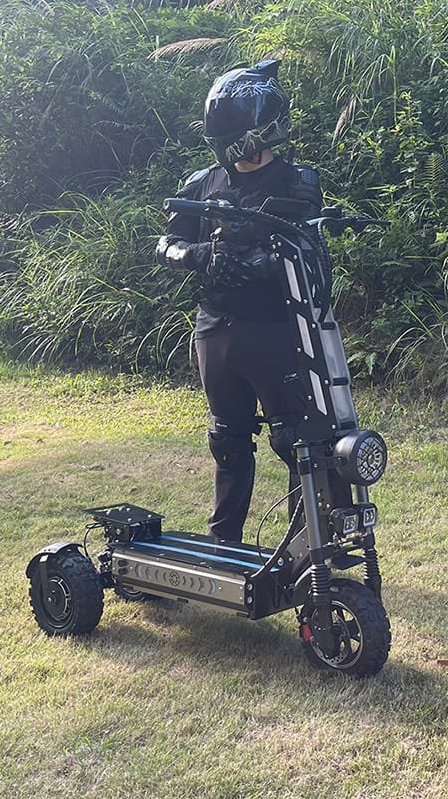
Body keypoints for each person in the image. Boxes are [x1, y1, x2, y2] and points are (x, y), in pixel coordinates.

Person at [156, 60, 322, 543]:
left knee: (296, 440)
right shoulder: (202, 182)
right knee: (227, 440)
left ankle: (303, 547)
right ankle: (222, 540)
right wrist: (199, 255)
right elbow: (166, 243)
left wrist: (252, 263)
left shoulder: (297, 182)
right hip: (216, 325)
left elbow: (307, 248)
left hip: (273, 326)